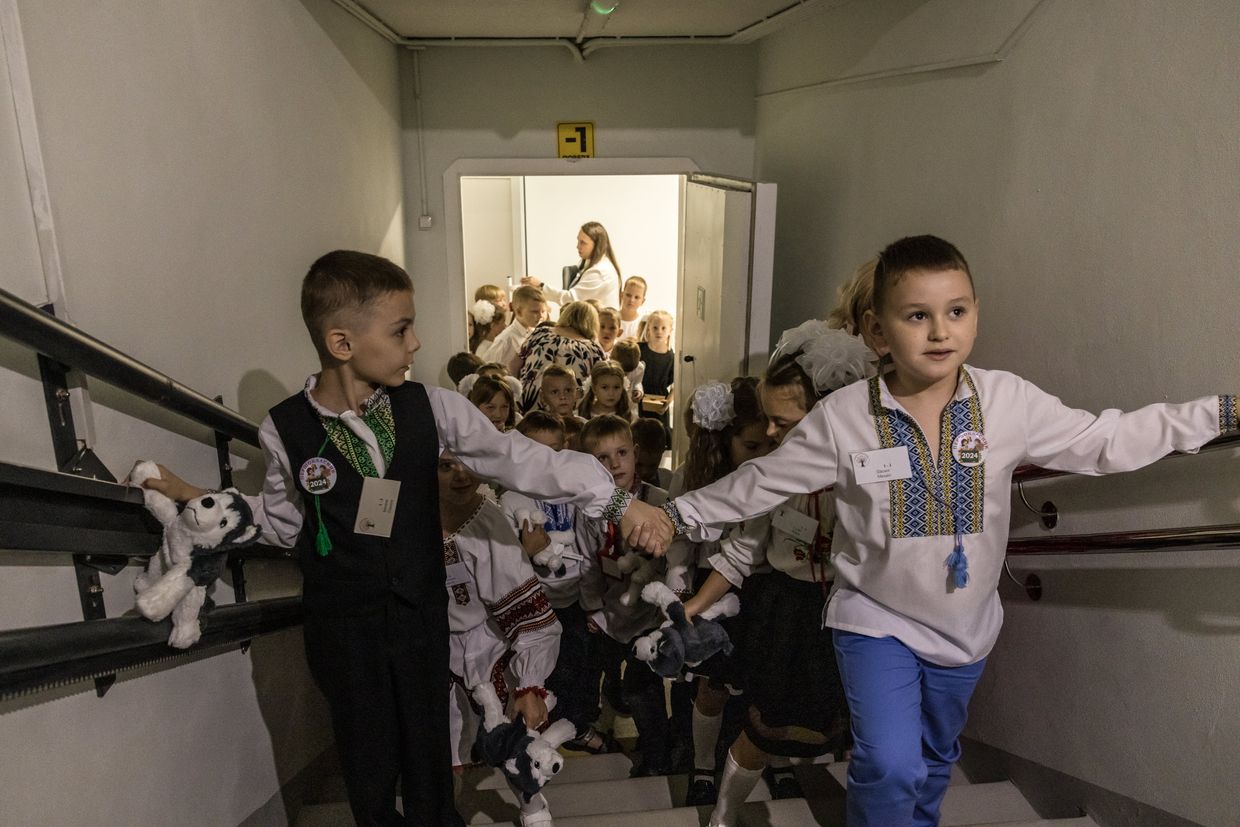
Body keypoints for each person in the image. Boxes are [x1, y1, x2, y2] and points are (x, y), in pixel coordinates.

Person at [641, 235, 1239, 827]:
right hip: (874, 619)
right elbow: (762, 482)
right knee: (889, 763)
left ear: (975, 314)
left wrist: (1220, 413)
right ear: (877, 331)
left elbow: (1106, 439)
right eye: (917, 316)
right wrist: (676, 515)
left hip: (966, 630)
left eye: (956, 312)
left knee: (932, 759)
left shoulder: (1008, 400)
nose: (939, 331)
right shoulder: (846, 415)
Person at [138, 250, 658, 827]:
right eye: (401, 329)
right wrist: (196, 499)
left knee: (429, 758)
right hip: (342, 631)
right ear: (343, 344)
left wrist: (617, 499)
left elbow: (518, 458)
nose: (415, 344)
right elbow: (287, 522)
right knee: (368, 765)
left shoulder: (430, 408)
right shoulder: (283, 428)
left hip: (419, 621)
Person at [682, 333, 872, 826]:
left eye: (781, 421)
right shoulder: (773, 474)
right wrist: (691, 608)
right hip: (787, 612)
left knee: (845, 725)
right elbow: (740, 551)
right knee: (765, 727)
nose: (768, 430)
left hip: (852, 611)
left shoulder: (874, 469)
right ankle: (723, 817)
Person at [657, 378, 778, 805]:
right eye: (750, 447)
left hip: (765, 585)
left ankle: (770, 759)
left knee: (764, 685)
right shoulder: (696, 474)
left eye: (768, 445)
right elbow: (680, 533)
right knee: (713, 684)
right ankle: (703, 765)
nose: (762, 457)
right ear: (725, 440)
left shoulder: (779, 475)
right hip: (713, 579)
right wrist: (678, 574)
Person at [437, 451, 560, 827]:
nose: (460, 476)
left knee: (506, 735)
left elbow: (529, 613)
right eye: (445, 466)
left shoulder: (487, 521)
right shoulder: (405, 514)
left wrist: (530, 684)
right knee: (446, 741)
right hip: (429, 644)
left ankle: (532, 805)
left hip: (487, 644)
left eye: (468, 464)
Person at [500, 413, 620, 756]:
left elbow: (590, 539)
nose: (547, 460)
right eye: (537, 451)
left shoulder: (573, 490)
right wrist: (528, 551)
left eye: (555, 450)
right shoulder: (511, 499)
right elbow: (503, 565)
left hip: (577, 598)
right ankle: (540, 736)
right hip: (536, 605)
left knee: (582, 666)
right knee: (546, 673)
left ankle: (578, 726)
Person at [576, 415, 672, 777]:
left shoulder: (659, 501)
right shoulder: (587, 509)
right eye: (602, 458)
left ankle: (657, 758)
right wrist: (591, 608)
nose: (614, 463)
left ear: (635, 454)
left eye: (621, 453)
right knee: (610, 677)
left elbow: (672, 560)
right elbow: (587, 561)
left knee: (643, 690)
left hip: (649, 615)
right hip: (609, 614)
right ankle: (607, 722)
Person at [515, 301, 605, 414]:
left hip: (528, 407)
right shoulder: (594, 350)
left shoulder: (540, 333)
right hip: (571, 415)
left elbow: (513, 366)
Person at [521, 221, 622, 309]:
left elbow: (570, 299)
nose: (577, 246)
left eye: (583, 242)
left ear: (597, 244)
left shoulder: (600, 272)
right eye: (578, 240)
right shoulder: (590, 265)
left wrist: (541, 286)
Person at [489, 285, 546, 373]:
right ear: (519, 311)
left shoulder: (537, 333)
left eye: (543, 311)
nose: (541, 316)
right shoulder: (505, 340)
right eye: (535, 312)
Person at [638, 310, 675, 438]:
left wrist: (668, 402)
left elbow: (676, 384)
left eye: (663, 328)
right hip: (640, 397)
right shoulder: (639, 349)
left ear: (670, 330)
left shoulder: (671, 357)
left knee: (658, 435)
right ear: (648, 328)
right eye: (655, 327)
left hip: (660, 401)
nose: (659, 331)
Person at [630, 417, 671, 490]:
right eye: (639, 464)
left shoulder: (669, 482)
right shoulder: (616, 482)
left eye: (652, 466)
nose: (644, 472)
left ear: (663, 451)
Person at [470, 293, 507, 361]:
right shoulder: (487, 348)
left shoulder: (491, 344)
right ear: (492, 325)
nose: (505, 326)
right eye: (502, 322)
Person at [618, 276, 648, 340]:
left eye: (637, 297)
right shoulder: (611, 319)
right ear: (622, 295)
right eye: (628, 295)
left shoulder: (642, 324)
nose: (631, 300)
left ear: (642, 301)